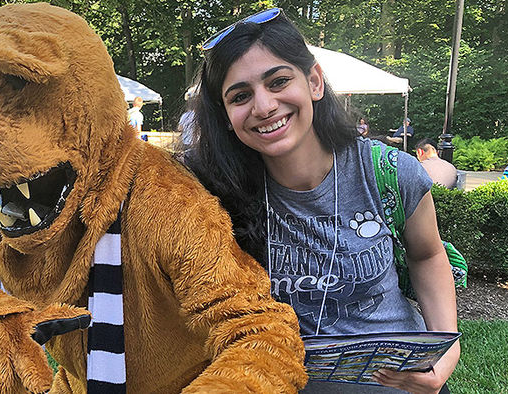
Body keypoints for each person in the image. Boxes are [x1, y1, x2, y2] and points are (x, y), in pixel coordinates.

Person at [185, 8, 459, 393]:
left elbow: (427, 255)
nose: (263, 106)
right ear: (226, 115)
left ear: (313, 81)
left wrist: (447, 350)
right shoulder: (212, 196)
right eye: (241, 96)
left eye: (278, 81)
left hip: (400, 384)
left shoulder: (386, 172)